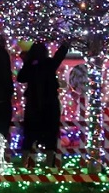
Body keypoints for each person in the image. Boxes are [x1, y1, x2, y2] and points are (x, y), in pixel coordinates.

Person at [17, 39, 70, 168]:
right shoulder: (49, 64)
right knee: (51, 136)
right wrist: (65, 45)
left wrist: (27, 62)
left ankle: (24, 164)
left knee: (29, 136)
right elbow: (59, 57)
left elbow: (21, 78)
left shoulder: (31, 65)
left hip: (33, 105)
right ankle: (49, 165)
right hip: (50, 105)